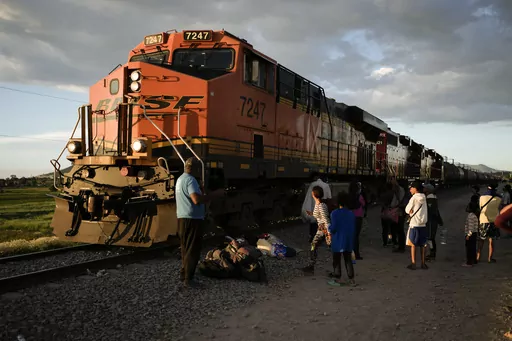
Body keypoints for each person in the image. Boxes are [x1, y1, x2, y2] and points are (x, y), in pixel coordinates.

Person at [175, 157, 223, 288]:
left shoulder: (180, 179)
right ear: (196, 169)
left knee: (185, 247)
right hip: (192, 219)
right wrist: (215, 195)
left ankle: (183, 273)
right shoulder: (190, 180)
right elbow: (196, 200)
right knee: (193, 249)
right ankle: (188, 280)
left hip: (182, 218)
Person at [327, 191, 356, 287]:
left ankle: (337, 278)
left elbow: (334, 228)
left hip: (337, 240)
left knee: (336, 259)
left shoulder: (334, 213)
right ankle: (351, 279)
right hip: (348, 241)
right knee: (348, 260)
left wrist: (328, 228)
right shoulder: (351, 214)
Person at [302, 186, 331, 275]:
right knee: (314, 245)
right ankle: (311, 266)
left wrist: (328, 233)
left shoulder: (320, 206)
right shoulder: (319, 204)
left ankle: (312, 266)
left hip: (323, 230)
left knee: (314, 246)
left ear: (314, 194)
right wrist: (311, 214)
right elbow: (319, 216)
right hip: (321, 229)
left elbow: (325, 219)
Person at [302, 172, 332, 243]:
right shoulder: (326, 185)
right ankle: (324, 239)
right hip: (322, 207)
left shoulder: (312, 184)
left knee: (313, 221)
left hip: (314, 206)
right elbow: (329, 198)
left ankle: (312, 237)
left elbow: (308, 197)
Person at [404, 180, 428, 270]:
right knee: (423, 244)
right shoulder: (424, 197)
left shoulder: (414, 198)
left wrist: (409, 211)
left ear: (415, 189)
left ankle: (413, 263)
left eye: (411, 188)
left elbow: (407, 209)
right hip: (423, 224)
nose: (410, 189)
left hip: (414, 224)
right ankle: (423, 263)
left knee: (413, 244)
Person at [477, 183, 502, 263]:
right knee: (491, 241)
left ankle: (478, 257)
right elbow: (500, 208)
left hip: (483, 220)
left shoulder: (481, 197)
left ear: (488, 188)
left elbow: (480, 207)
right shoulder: (499, 198)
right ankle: (489, 258)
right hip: (494, 221)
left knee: (481, 240)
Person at [423, 183, 444, 261]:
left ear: (428, 190)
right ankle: (432, 254)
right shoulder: (432, 198)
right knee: (431, 238)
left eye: (425, 188)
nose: (423, 189)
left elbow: (432, 212)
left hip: (431, 221)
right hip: (432, 221)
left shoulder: (430, 199)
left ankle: (432, 254)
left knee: (430, 238)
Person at [348, 180, 366, 260]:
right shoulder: (359, 196)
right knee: (356, 236)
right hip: (358, 217)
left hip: (350, 217)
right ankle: (356, 254)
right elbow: (364, 204)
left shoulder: (348, 196)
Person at [463, 195, 479, 267]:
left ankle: (469, 262)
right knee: (473, 247)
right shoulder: (474, 215)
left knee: (469, 248)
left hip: (471, 234)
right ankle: (474, 260)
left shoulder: (470, 216)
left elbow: (471, 227)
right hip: (474, 233)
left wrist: (468, 235)